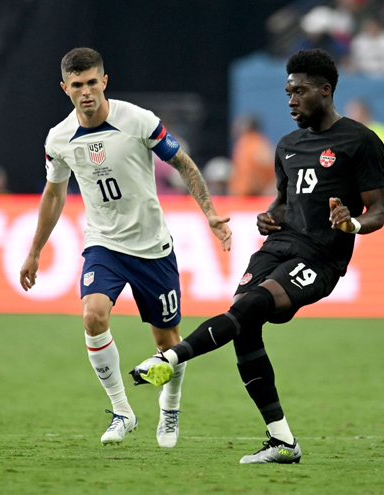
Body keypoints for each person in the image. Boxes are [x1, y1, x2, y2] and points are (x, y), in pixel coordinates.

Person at [132, 49, 384, 464]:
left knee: (250, 306)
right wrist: (270, 217)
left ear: (325, 91)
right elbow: (286, 203)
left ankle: (172, 358)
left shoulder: (359, 141)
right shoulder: (287, 146)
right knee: (244, 324)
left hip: (321, 259)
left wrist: (351, 225)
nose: (291, 101)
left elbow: (377, 212)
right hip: (280, 246)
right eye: (288, 92)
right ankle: (282, 441)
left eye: (300, 92)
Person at [19, 48, 232, 448]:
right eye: (77, 85)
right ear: (65, 88)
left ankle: (170, 406)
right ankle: (122, 411)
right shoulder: (59, 139)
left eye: (92, 82)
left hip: (152, 246)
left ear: (104, 81)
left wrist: (210, 213)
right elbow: (54, 193)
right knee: (93, 316)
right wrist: (34, 251)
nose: (86, 92)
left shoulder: (138, 120)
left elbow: (183, 163)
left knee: (168, 343)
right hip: (104, 243)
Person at [345, 98, 384, 195]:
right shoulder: (345, 135)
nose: (350, 116)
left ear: (364, 113)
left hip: (382, 193)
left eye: (354, 112)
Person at [228, 115, 276, 197]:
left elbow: (249, 176)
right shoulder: (263, 143)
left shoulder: (248, 143)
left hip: (247, 198)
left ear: (246, 126)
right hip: (257, 197)